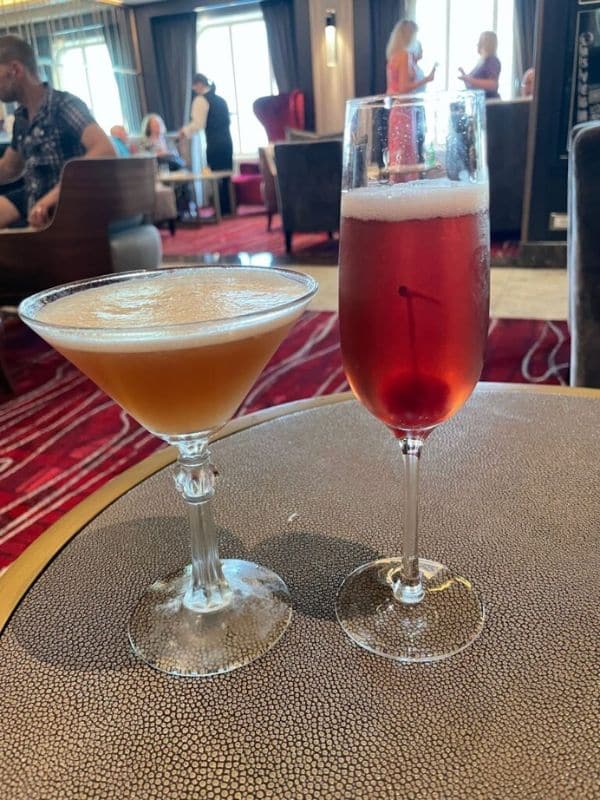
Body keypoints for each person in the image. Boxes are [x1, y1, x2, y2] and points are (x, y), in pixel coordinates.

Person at [0, 35, 115, 229]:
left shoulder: (64, 105)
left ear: (15, 70)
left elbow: (105, 151)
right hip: (34, 202)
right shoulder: (21, 118)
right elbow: (9, 168)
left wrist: (50, 199)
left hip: (69, 206)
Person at [385, 21, 435, 181]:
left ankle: (398, 192)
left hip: (397, 108)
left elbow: (391, 89)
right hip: (405, 109)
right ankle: (408, 194)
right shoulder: (404, 55)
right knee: (405, 154)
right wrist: (426, 80)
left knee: (398, 153)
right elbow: (404, 87)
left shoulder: (393, 56)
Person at [179, 73, 233, 214]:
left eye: (194, 86)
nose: (194, 89)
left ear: (199, 84)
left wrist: (184, 131)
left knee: (215, 178)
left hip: (214, 143)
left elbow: (198, 124)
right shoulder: (221, 100)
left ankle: (220, 209)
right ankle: (229, 207)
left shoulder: (201, 100)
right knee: (226, 177)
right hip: (227, 142)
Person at [458, 31, 501, 99]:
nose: (478, 44)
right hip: (480, 103)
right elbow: (471, 86)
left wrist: (469, 79)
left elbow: (493, 84)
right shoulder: (482, 62)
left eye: (481, 41)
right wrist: (464, 76)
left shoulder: (492, 61)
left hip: (489, 104)